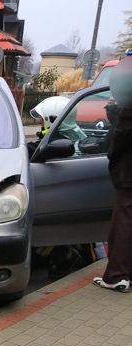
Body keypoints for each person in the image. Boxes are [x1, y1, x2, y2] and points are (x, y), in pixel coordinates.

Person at [94, 56, 132, 292]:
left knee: (123, 224)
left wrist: (111, 157)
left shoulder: (129, 108)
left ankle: (117, 275)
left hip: (129, 176)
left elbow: (119, 142)